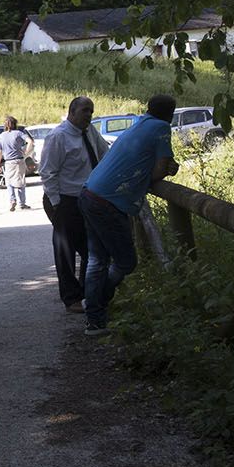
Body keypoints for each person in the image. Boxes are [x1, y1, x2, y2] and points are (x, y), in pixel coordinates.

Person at [79, 94, 179, 335]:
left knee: (97, 260)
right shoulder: (161, 127)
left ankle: (94, 314)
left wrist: (164, 167)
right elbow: (161, 167)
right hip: (108, 202)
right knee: (125, 261)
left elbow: (156, 162)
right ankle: (96, 305)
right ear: (170, 114)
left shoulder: (141, 124)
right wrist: (164, 172)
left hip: (90, 193)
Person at [38, 96, 107, 314]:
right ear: (72, 111)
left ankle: (90, 293)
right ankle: (72, 299)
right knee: (65, 251)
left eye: (92, 111)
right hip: (65, 199)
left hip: (89, 197)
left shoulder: (90, 132)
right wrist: (58, 205)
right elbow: (48, 172)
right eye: (85, 110)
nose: (89, 115)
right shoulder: (58, 136)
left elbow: (104, 155)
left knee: (93, 249)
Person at [0, 116, 34, 211]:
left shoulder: (1, 136)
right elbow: (30, 141)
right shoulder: (18, 133)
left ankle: (12, 200)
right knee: (20, 182)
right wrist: (26, 152)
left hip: (7, 162)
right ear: (15, 124)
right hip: (18, 160)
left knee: (9, 182)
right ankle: (22, 203)